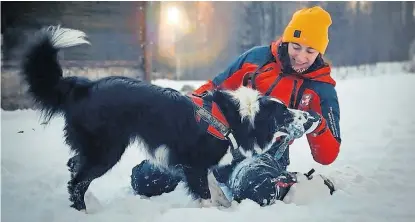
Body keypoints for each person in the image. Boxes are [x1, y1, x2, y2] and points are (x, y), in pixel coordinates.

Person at [130, 5, 341, 206]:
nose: (301, 56)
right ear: (287, 40)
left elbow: (327, 155)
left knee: (255, 188)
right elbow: (213, 89)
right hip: (219, 141)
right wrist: (186, 107)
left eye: (310, 51)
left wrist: (317, 125)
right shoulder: (257, 59)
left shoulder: (320, 89)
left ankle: (301, 184)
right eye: (296, 46)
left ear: (320, 52)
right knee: (145, 179)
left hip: (264, 155)